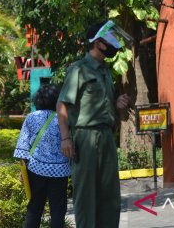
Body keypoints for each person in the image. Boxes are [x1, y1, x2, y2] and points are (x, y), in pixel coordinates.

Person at [56, 20, 131, 228]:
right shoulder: (78, 69)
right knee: (86, 195)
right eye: (110, 40)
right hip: (85, 138)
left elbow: (98, 104)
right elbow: (62, 105)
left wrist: (116, 104)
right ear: (98, 42)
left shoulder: (106, 71)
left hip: (106, 135)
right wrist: (66, 138)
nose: (115, 44)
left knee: (110, 194)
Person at [14, 83, 70, 228]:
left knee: (34, 209)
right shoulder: (63, 118)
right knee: (58, 212)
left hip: (36, 170)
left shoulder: (31, 117)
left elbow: (23, 147)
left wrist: (23, 171)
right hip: (60, 171)